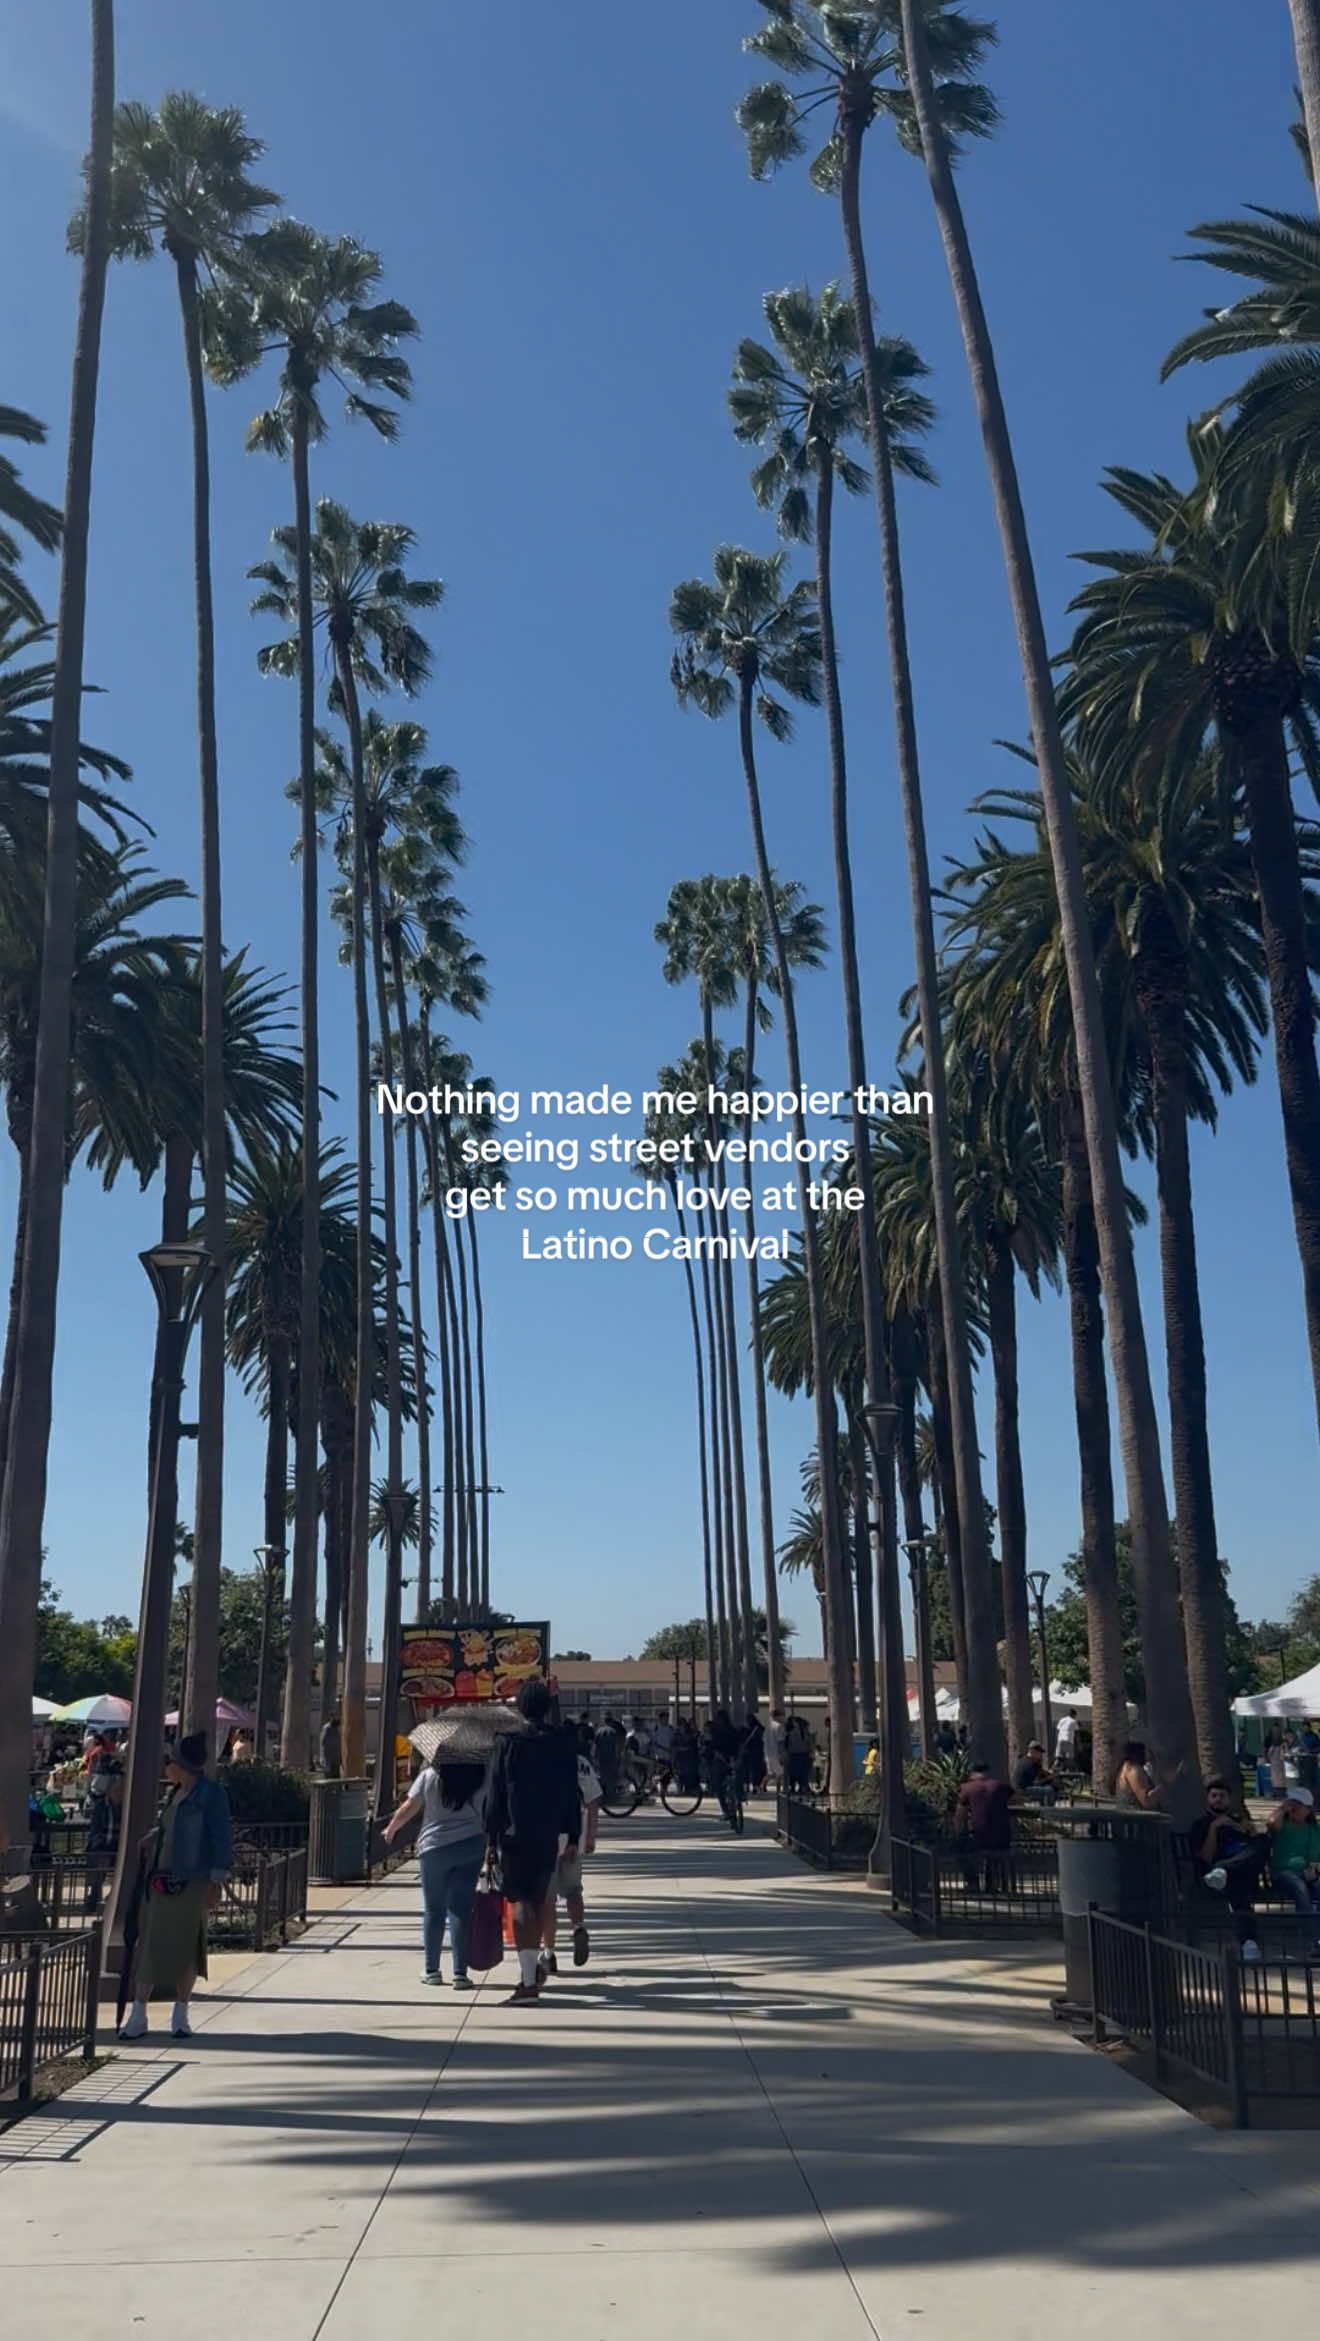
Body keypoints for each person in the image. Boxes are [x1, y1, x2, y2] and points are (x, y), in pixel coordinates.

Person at [120, 1733, 231, 2042]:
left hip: (193, 1882)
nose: (166, 1767)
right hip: (163, 1880)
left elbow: (221, 1838)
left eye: (170, 1762)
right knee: (152, 1945)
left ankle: (180, 2014)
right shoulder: (173, 1795)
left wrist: (216, 1882)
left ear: (182, 1767)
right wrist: (153, 1837)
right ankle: (138, 2013)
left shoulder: (211, 1796)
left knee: (188, 1950)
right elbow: (171, 1826)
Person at [485, 1679, 581, 2005]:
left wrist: (489, 1836)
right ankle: (537, 1963)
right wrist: (574, 1835)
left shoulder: (507, 1742)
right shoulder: (562, 1742)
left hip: (514, 1834)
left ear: (520, 1707)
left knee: (520, 1902)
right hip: (549, 1835)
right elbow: (572, 1792)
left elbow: (495, 1792)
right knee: (541, 1900)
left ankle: (527, 1981)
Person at [382, 1753, 485, 1987]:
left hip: (434, 1847)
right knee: (460, 1908)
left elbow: (410, 1806)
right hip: (471, 1844)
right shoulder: (478, 1777)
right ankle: (460, 1973)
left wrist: (391, 1828)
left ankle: (432, 1970)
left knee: (433, 1908)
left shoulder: (429, 1776)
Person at [540, 1740, 601, 1982]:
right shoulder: (582, 1764)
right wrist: (591, 1835)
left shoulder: (541, 1762)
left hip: (546, 1837)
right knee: (573, 1890)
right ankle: (578, 1927)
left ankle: (549, 1953)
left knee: (548, 1899)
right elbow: (593, 1801)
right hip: (576, 1834)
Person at [1192, 1777, 1264, 1963]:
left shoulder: (1238, 1822)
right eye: (1214, 1796)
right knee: (1237, 1886)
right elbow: (1206, 1858)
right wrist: (1214, 1829)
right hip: (1216, 1877)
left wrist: (1249, 1831)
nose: (1218, 1800)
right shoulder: (1201, 1825)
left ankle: (1223, 1870)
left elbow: (1255, 1851)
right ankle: (1248, 1942)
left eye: (1222, 1796)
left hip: (1239, 1869)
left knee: (1263, 1841)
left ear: (1229, 1800)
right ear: (1207, 1799)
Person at [1268, 1785, 1320, 1955]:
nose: (1294, 1809)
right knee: (1300, 1889)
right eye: (1292, 1804)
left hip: (1308, 1873)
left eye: (1299, 1806)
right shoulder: (1283, 1824)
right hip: (1284, 1873)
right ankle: (1311, 1941)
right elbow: (1271, 1823)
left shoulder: (1314, 1830)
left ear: (1308, 1809)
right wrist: (1283, 1807)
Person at [954, 1761, 1013, 1892]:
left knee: (959, 1850)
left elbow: (959, 1815)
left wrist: (959, 1833)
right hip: (1003, 1837)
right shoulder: (1000, 1786)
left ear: (972, 1773)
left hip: (979, 1836)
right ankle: (991, 1884)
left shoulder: (967, 1788)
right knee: (994, 1853)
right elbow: (1017, 1798)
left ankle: (972, 1883)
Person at [1115, 1740, 1154, 1808]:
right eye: (1147, 1750)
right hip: (1134, 1816)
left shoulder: (1128, 1766)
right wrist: (1163, 1787)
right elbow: (1146, 1802)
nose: (1149, 1754)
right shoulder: (1133, 1769)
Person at [783, 1710, 811, 1795]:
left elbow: (787, 1744)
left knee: (792, 1772)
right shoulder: (804, 1731)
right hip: (803, 1754)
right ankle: (802, 1787)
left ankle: (793, 1787)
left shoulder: (790, 1732)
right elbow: (808, 1742)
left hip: (793, 1754)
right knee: (802, 1772)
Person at [742, 1708, 766, 1794]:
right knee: (757, 1770)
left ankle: (749, 1785)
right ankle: (756, 1785)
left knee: (749, 1770)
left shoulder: (745, 1730)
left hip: (749, 1751)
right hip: (758, 1751)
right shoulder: (760, 1728)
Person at [763, 1706, 784, 1789]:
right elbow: (781, 1741)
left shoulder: (767, 1727)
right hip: (776, 1753)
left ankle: (763, 1785)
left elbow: (763, 1739)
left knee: (771, 1773)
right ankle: (778, 1789)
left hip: (767, 1753)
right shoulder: (778, 1726)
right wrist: (782, 1753)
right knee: (779, 1773)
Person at [319, 1709, 342, 1780]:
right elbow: (323, 1743)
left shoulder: (336, 1729)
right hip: (329, 1761)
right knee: (329, 1780)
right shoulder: (327, 1728)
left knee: (336, 1780)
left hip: (336, 1760)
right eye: (336, 1717)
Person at [1269, 1733, 1289, 1797]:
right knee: (1280, 1779)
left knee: (1277, 1779)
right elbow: (1285, 1754)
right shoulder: (1282, 1745)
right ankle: (1280, 1793)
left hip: (1276, 1764)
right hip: (1279, 1763)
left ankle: (1277, 1793)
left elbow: (1269, 1754)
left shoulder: (1274, 1746)